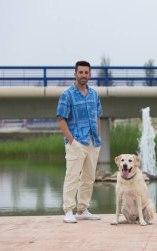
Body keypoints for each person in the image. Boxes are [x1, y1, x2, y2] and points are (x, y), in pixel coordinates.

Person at [56, 60, 103, 223]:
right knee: (72, 176)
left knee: (89, 178)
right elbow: (61, 118)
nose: (83, 75)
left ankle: (82, 209)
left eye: (86, 72)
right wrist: (72, 140)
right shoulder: (67, 94)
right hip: (76, 142)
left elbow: (98, 115)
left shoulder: (94, 94)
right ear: (75, 74)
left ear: (90, 74)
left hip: (92, 141)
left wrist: (99, 137)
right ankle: (68, 210)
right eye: (80, 72)